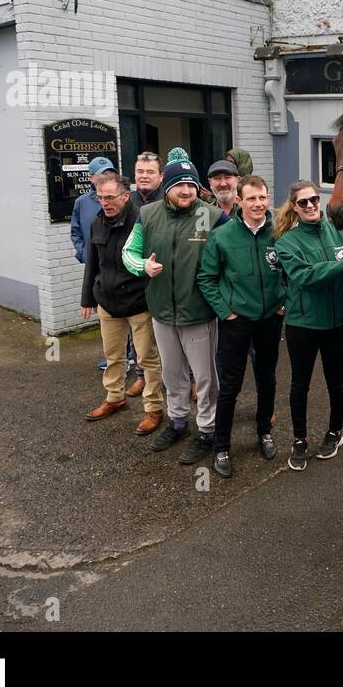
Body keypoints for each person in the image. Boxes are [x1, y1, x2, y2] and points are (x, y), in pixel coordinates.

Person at [122, 154, 227, 464]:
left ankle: (207, 430)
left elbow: (234, 255)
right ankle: (178, 422)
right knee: (172, 374)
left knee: (206, 378)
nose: (186, 191)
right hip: (162, 313)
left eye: (191, 185)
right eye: (179, 184)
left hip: (199, 314)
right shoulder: (148, 214)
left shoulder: (213, 217)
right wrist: (143, 266)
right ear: (166, 186)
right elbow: (128, 252)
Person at [196, 175, 286, 478]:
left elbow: (290, 271)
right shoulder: (222, 236)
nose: (258, 204)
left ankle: (264, 431)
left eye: (262, 197)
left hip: (270, 319)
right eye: (251, 199)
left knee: (267, 378)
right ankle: (221, 446)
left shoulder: (279, 232)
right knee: (230, 386)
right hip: (237, 322)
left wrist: (282, 301)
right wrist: (225, 312)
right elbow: (206, 278)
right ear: (239, 201)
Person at [272, 180, 343, 470]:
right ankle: (299, 439)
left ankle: (335, 431)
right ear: (294, 207)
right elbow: (306, 277)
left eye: (313, 200)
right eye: (303, 202)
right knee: (300, 384)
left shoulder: (337, 232)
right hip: (303, 325)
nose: (310, 206)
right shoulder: (285, 243)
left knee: (336, 382)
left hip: (339, 323)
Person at [79, 173, 165, 432]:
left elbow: (150, 261)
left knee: (147, 359)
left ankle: (153, 408)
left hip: (138, 302)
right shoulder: (97, 223)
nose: (104, 202)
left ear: (126, 196)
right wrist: (87, 297)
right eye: (100, 197)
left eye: (109, 197)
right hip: (107, 301)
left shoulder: (143, 221)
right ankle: (115, 398)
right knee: (113, 356)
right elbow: (92, 262)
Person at [71, 157, 117, 264]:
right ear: (91, 178)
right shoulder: (81, 202)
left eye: (110, 174)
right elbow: (75, 233)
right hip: (93, 263)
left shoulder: (123, 198)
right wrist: (83, 254)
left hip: (118, 264)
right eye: (102, 175)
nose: (107, 178)